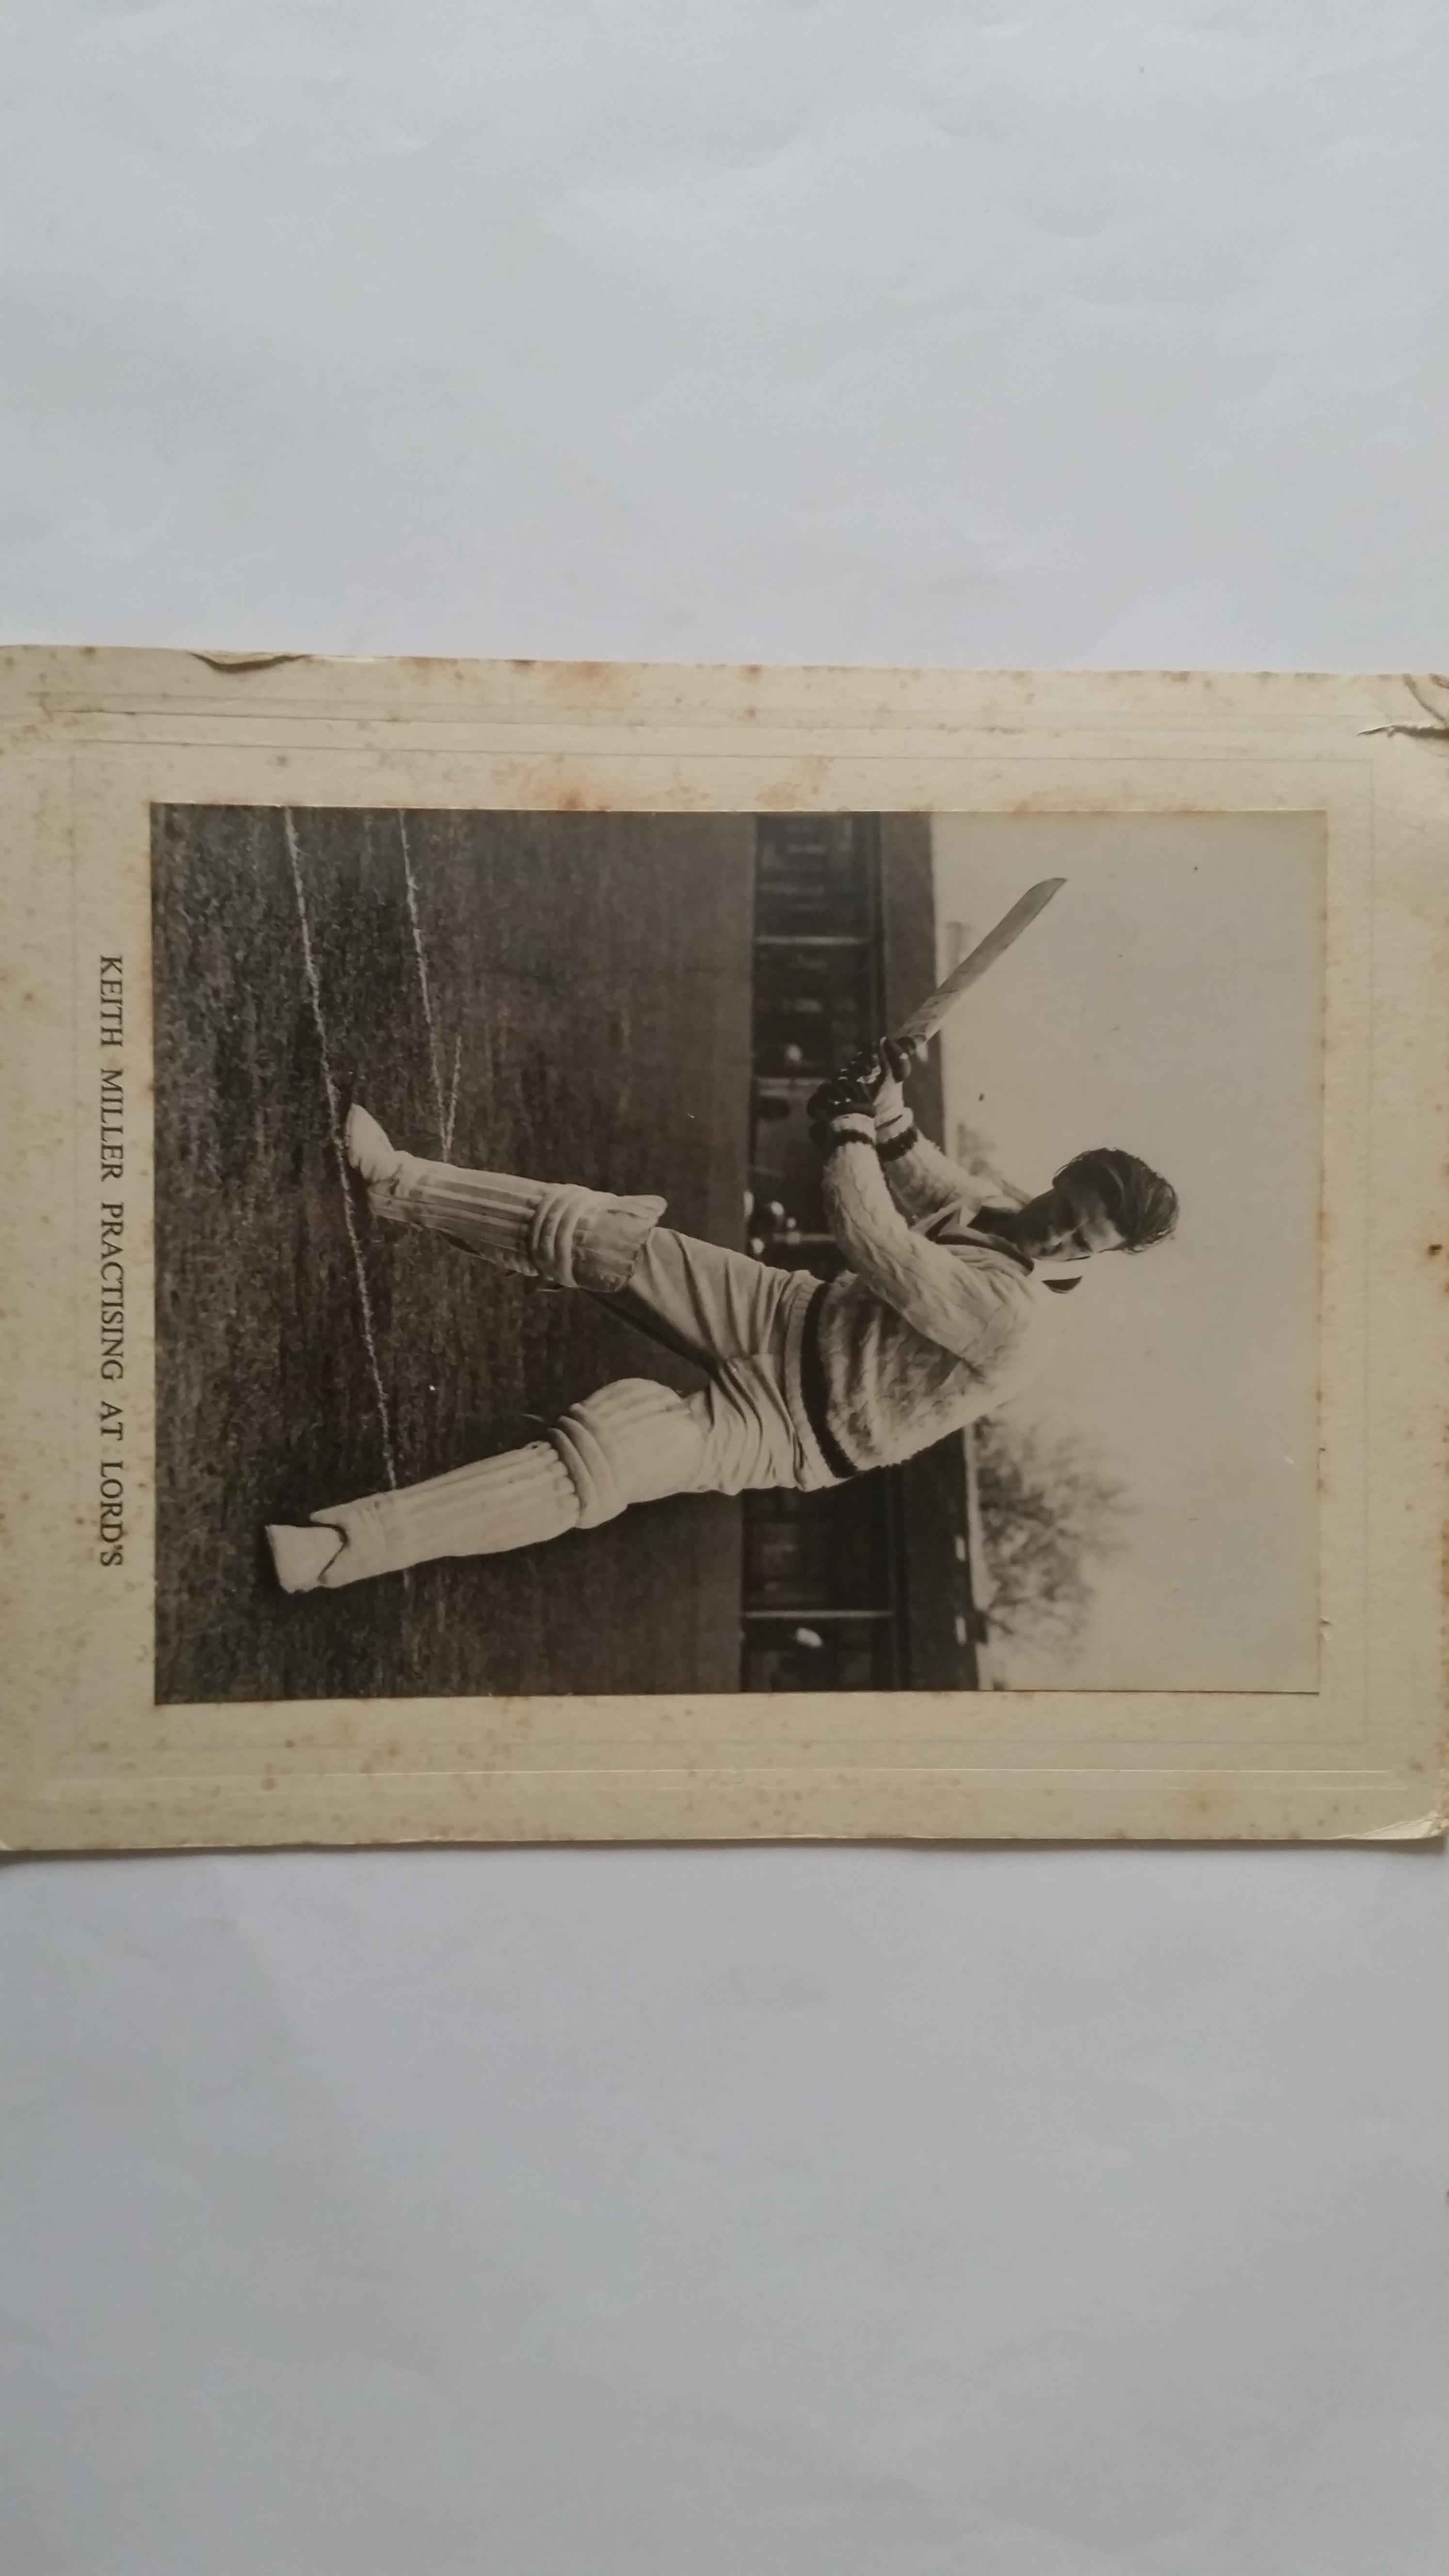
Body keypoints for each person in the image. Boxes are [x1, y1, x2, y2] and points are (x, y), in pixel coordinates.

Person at [264, 1044, 1178, 1593]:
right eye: (1066, 1204)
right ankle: (400, 1184)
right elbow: (909, 1157)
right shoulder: (996, 1211)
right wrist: (883, 1083)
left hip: (799, 1427)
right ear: (1062, 1179)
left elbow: (880, 1246)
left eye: (1079, 1239)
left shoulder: (1020, 1325)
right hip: (786, 1315)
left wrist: (849, 1127)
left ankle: (343, 1548)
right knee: (598, 1232)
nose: (1055, 1231)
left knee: (611, 1451)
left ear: (1099, 1258)